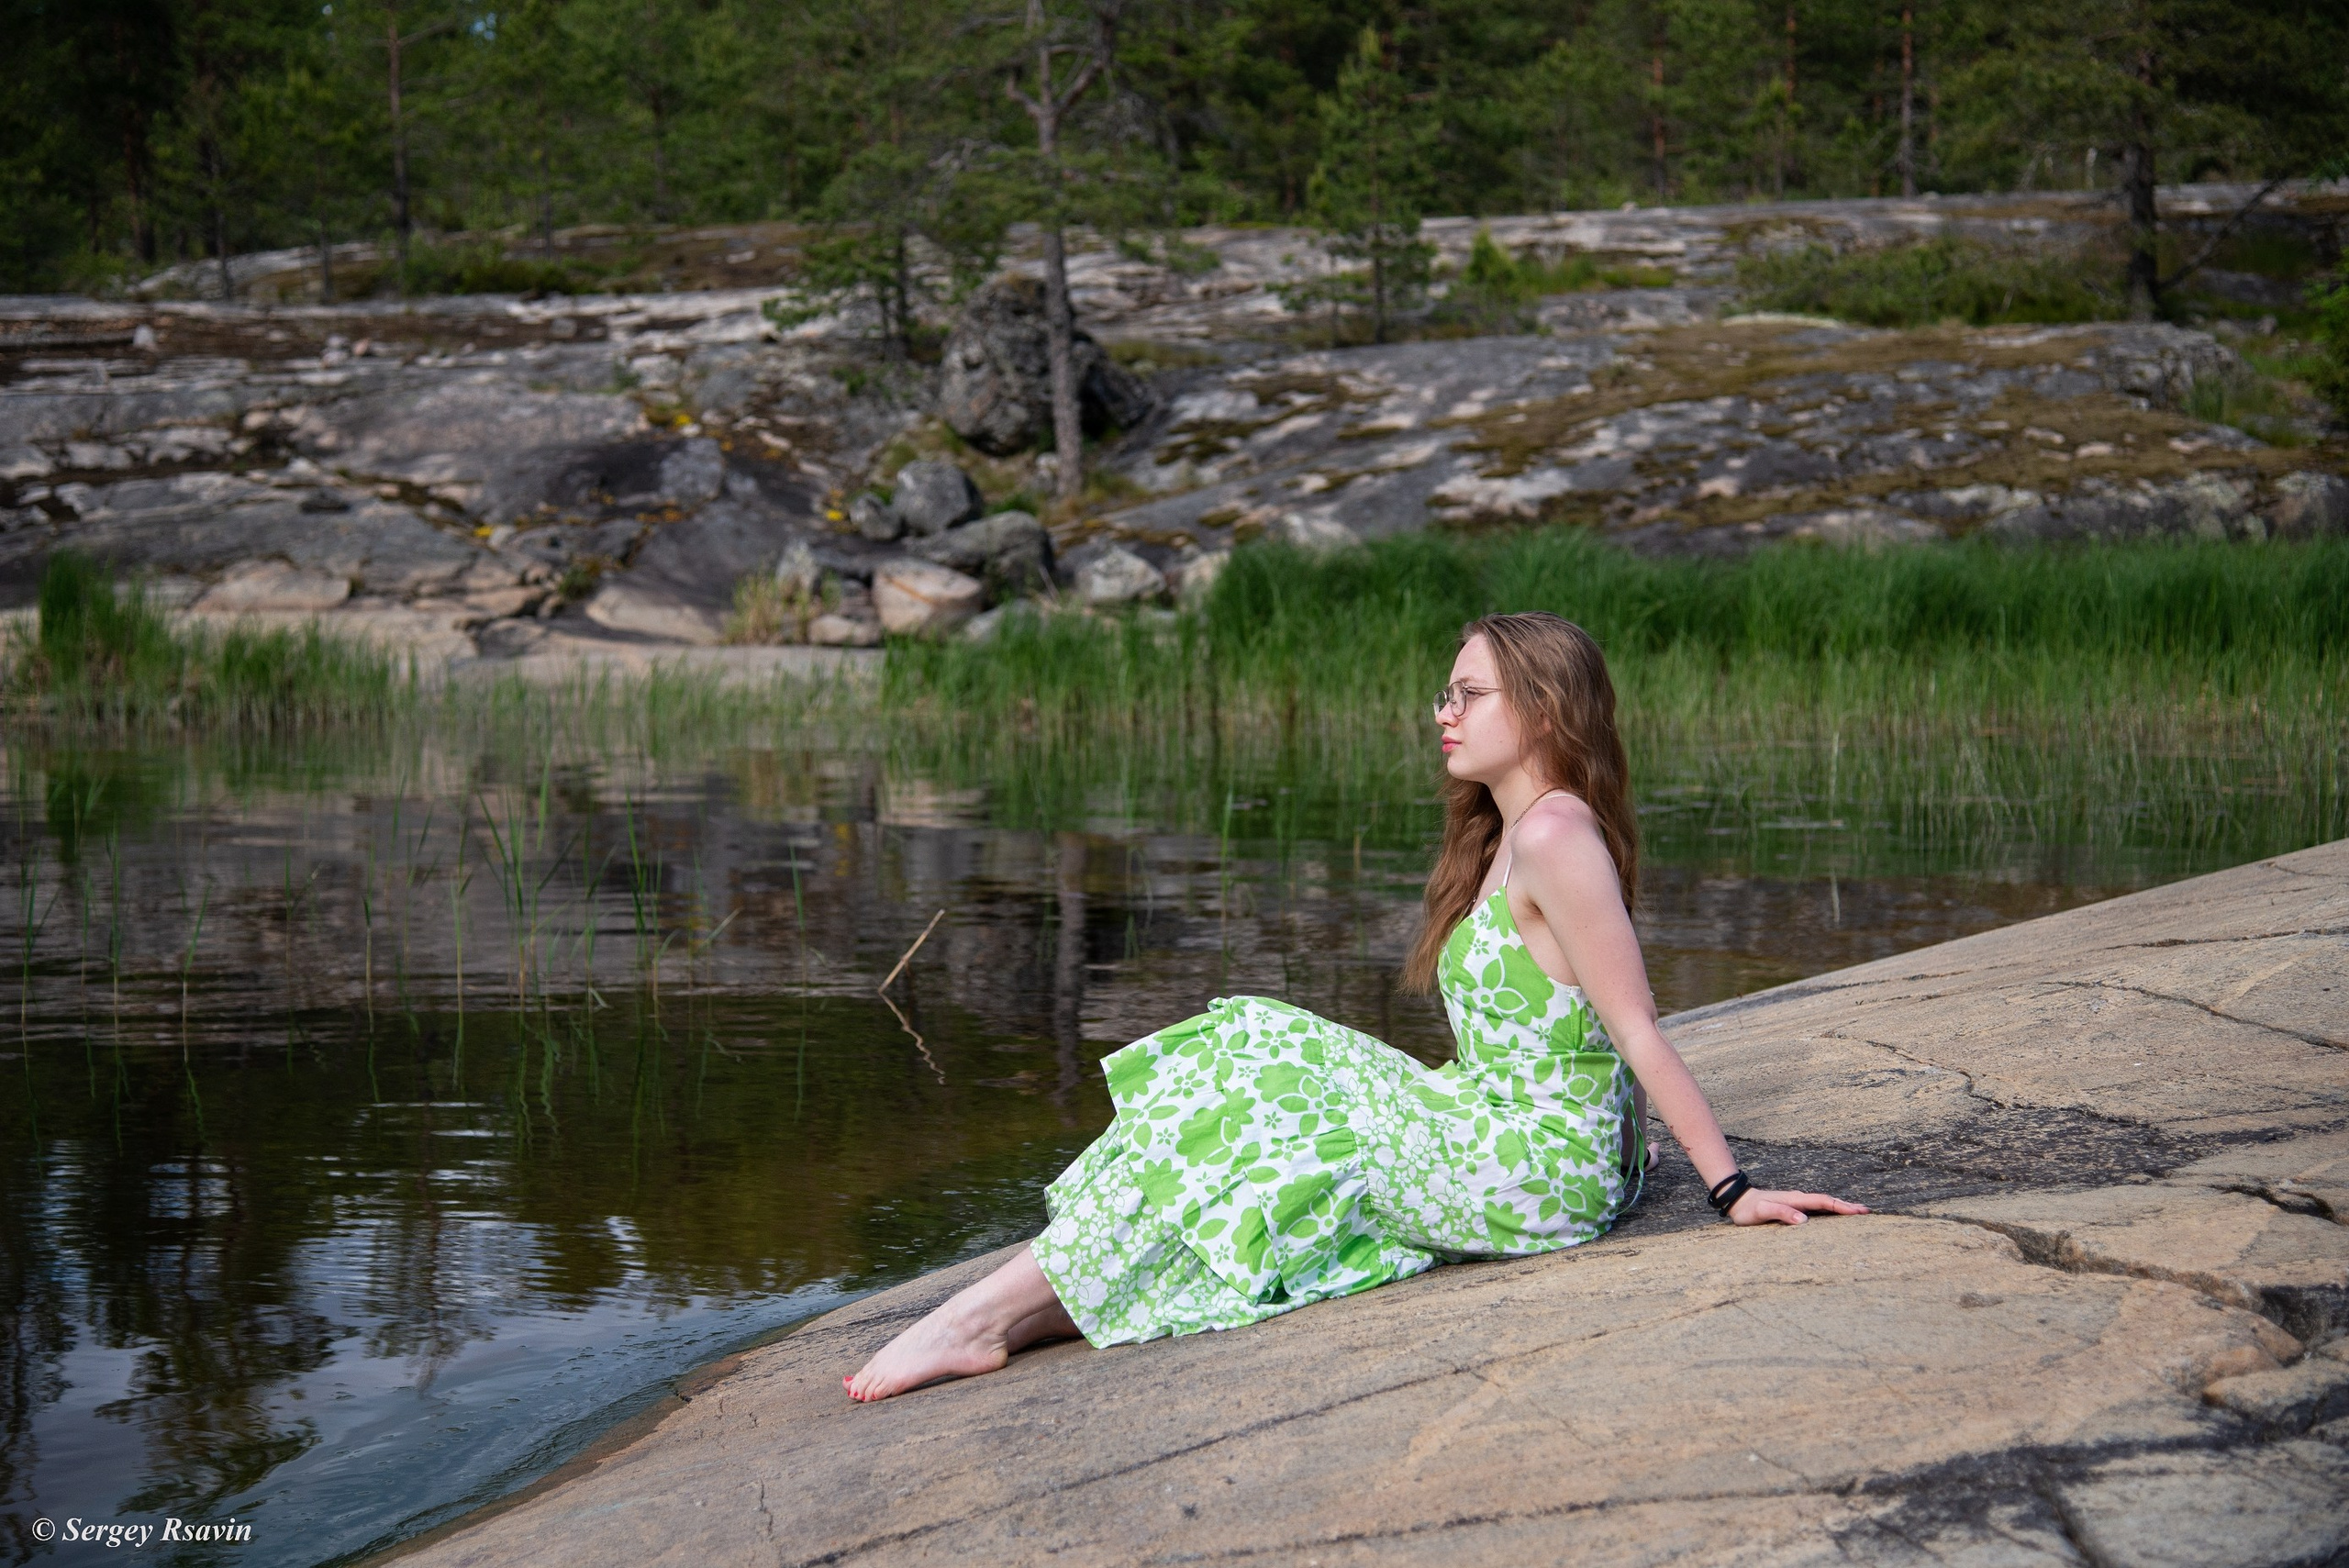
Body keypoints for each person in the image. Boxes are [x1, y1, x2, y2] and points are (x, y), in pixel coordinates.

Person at [846, 611, 1865, 1403]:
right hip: (1491, 1121)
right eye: (1445, 692)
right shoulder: (1509, 835)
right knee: (1254, 1043)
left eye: (1469, 693)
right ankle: (1024, 1311)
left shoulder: (1559, 836)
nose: (1443, 712)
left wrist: (1732, 1191)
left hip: (1543, 1169)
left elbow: (1637, 1025)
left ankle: (980, 1315)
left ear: (1545, 708)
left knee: (1271, 1087)